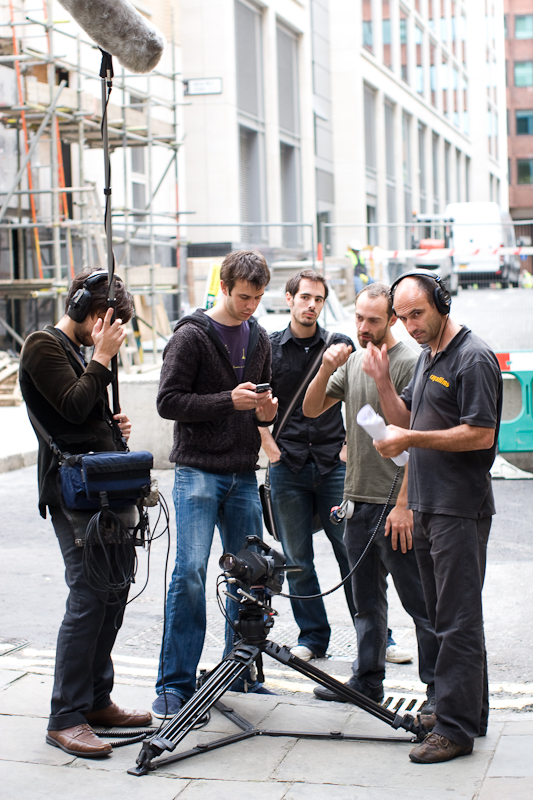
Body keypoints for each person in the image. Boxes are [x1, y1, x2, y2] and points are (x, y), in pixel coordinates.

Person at [362, 271, 502, 764]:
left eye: (416, 314)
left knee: (458, 620)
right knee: (444, 617)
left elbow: (481, 435)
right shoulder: (427, 358)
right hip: (425, 504)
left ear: (442, 303)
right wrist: (381, 380)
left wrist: (412, 441)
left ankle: (455, 730)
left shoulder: (473, 357)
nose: (409, 325)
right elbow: (407, 421)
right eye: (402, 317)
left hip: (459, 508)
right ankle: (466, 712)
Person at [19, 268, 152, 758]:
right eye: (106, 321)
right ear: (88, 312)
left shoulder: (79, 353)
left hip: (105, 490)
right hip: (73, 494)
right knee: (89, 595)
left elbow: (83, 412)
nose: (110, 333)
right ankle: (65, 715)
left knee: (114, 593)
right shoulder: (42, 345)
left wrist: (111, 422)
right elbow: (72, 409)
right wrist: (101, 358)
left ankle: (96, 700)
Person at [302, 282, 438, 712]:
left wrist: (403, 505)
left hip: (394, 504)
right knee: (366, 604)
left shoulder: (411, 362)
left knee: (420, 605)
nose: (362, 327)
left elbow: (418, 435)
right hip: (357, 501)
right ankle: (366, 681)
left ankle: (438, 692)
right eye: (358, 318)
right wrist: (325, 369)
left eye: (373, 320)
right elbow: (310, 409)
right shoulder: (356, 359)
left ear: (393, 319)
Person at [153, 250, 278, 718]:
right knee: (189, 575)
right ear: (224, 287)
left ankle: (240, 676)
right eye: (244, 297)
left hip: (244, 473)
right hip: (198, 471)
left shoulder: (260, 337)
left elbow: (262, 404)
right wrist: (230, 400)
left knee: (252, 577)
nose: (251, 306)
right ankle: (174, 685)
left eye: (259, 297)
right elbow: (168, 402)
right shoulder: (190, 336)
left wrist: (266, 413)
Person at [259, 270, 356, 661]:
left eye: (318, 298)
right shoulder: (268, 348)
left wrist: (352, 443)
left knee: (352, 550)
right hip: (288, 466)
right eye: (304, 297)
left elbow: (360, 394)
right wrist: (267, 443)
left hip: (334, 462)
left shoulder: (339, 345)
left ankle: (377, 635)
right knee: (297, 560)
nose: (311, 304)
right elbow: (255, 402)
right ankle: (313, 638)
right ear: (289, 299)